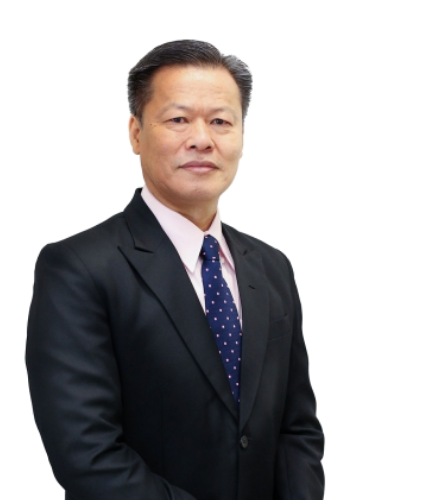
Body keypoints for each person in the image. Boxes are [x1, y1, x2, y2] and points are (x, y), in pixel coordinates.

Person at [25, 39, 325, 500]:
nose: (202, 139)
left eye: (221, 121)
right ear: (135, 133)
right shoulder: (78, 267)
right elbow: (87, 453)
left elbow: (298, 427)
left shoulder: (272, 266)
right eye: (179, 119)